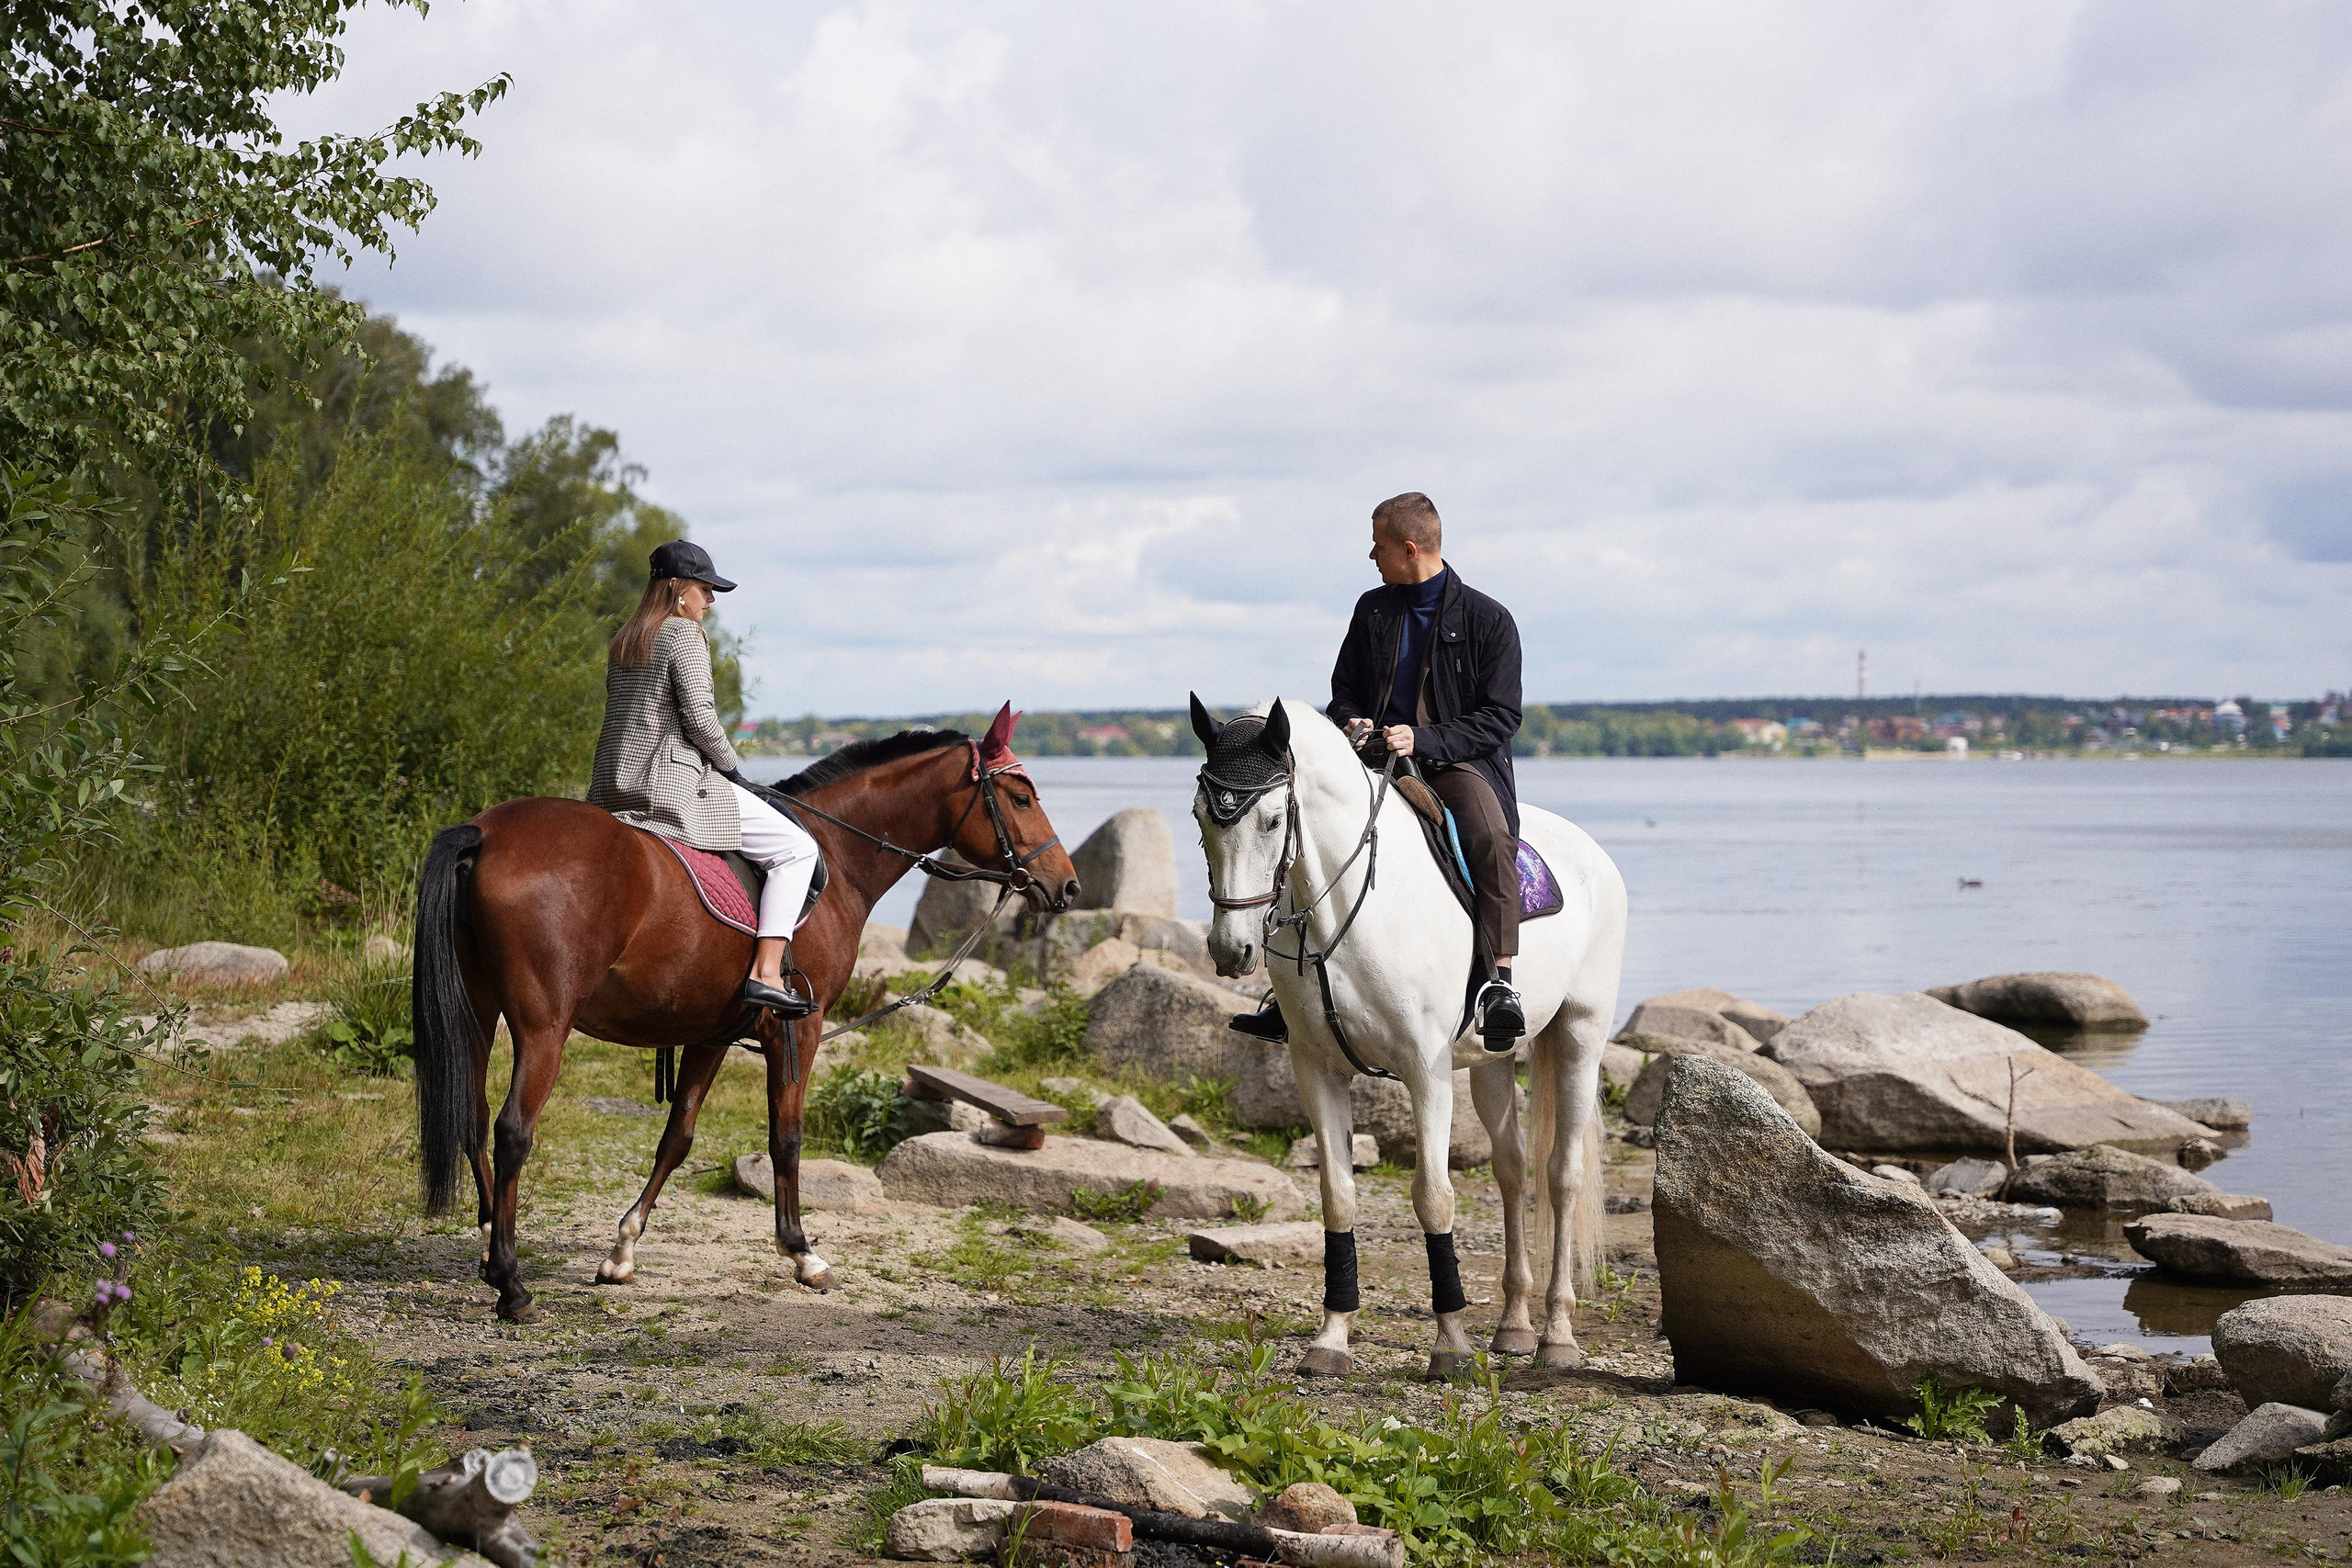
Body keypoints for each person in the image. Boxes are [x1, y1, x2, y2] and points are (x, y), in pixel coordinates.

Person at [1230, 491, 1527, 1052]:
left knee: (1489, 837)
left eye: (1379, 545)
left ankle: (1497, 984)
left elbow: (1502, 716)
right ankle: (1286, 988)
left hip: (1456, 763)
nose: (1372, 555)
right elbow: (1341, 693)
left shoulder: (1490, 620)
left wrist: (1428, 738)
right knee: (1299, 827)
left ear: (1409, 548)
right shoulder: (1371, 609)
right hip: (1367, 758)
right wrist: (1351, 723)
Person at [588, 540, 822, 1015]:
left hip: (613, 787)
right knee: (798, 849)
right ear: (677, 589)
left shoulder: (626, 639)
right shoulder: (684, 635)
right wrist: (735, 772)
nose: (711, 600)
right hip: (670, 788)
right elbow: (699, 718)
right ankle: (767, 972)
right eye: (705, 589)